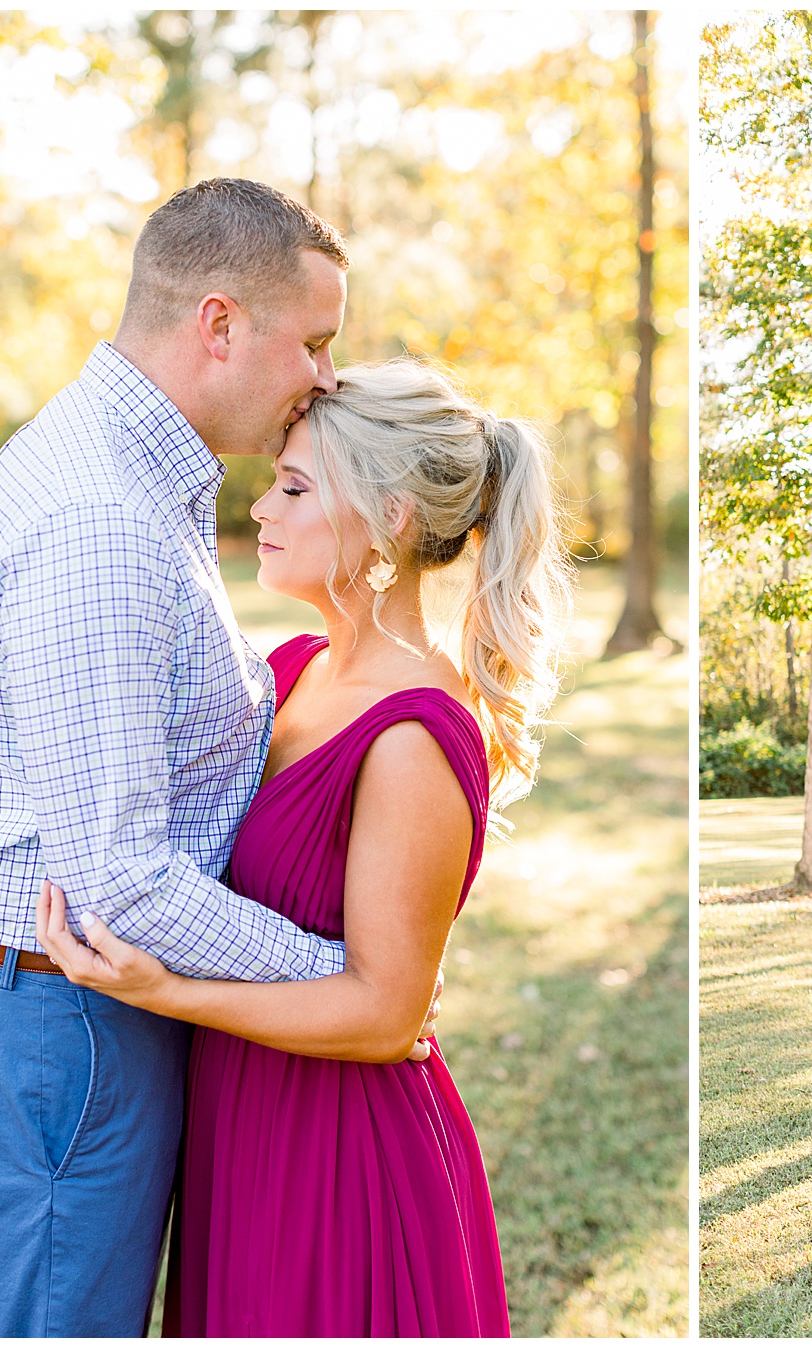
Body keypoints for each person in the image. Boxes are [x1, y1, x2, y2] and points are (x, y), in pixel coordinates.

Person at [0, 178, 440, 1336]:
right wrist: (346, 977)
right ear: (221, 324)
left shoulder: (139, 474)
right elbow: (123, 876)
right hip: (58, 1024)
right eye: (316, 341)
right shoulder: (100, 518)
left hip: (67, 1014)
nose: (326, 377)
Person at [38, 357, 572, 1336]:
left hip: (342, 1155)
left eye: (293, 486)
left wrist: (163, 990)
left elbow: (383, 1014)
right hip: (238, 1128)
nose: (260, 506)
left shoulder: (414, 733)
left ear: (395, 516)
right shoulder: (289, 671)